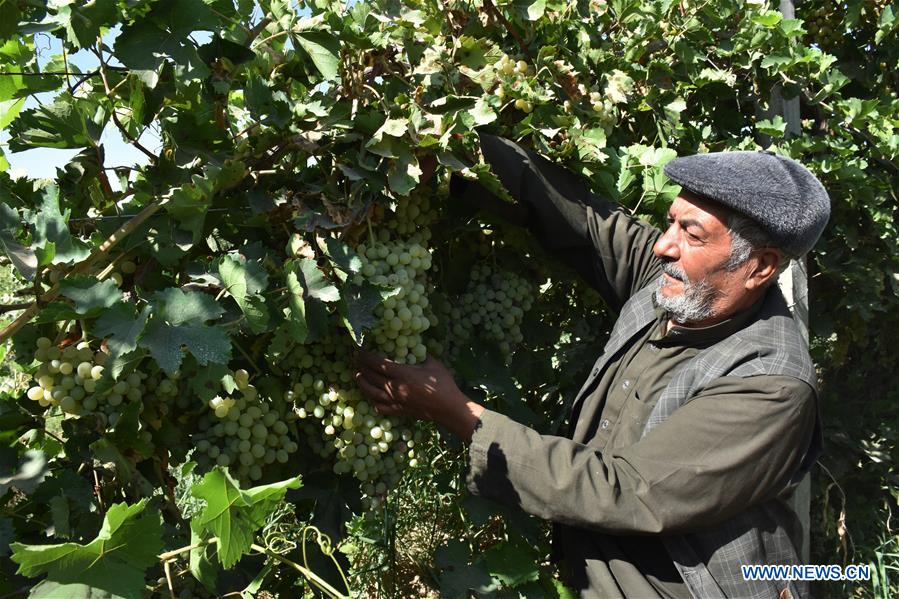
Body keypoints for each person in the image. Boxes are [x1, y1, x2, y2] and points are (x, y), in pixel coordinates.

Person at [355, 134, 829, 599]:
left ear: (761, 267)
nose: (664, 246)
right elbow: (580, 218)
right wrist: (449, 139)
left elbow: (624, 491)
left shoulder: (770, 384)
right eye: (671, 223)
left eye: (692, 233)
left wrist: (461, 415)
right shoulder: (677, 282)